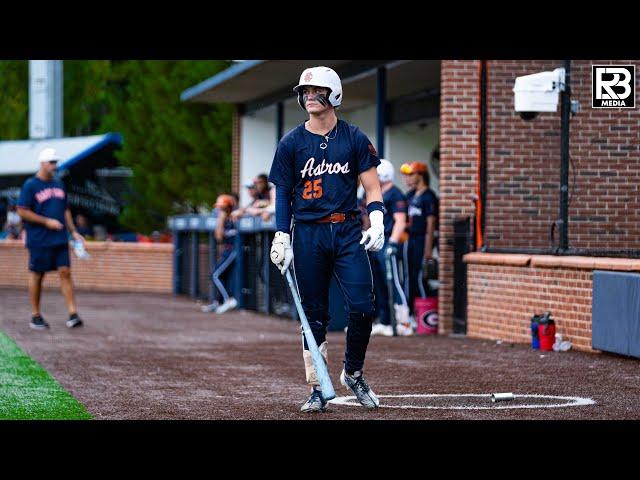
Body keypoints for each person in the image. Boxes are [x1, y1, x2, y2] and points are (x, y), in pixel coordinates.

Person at [268, 66, 385, 413]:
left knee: (363, 305)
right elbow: (283, 194)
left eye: (316, 91)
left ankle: (354, 371)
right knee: (313, 313)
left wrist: (377, 220)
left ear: (333, 94)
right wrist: (280, 235)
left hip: (348, 229)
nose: (309, 97)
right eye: (305, 92)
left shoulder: (354, 137)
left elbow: (373, 186)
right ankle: (318, 386)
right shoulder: (291, 142)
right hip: (307, 232)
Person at [16, 147, 85, 330]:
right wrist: (46, 222)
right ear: (42, 163)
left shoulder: (59, 185)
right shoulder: (30, 185)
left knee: (66, 272)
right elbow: (22, 210)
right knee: (37, 275)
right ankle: (35, 315)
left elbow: (65, 210)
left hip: (60, 238)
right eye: (52, 162)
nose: (55, 166)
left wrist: (74, 232)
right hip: (39, 239)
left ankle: (73, 313)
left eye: (56, 162)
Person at [368, 159, 412, 337]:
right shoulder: (376, 193)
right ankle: (386, 321)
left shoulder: (395, 194)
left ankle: (404, 322)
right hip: (378, 240)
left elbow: (400, 221)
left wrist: (393, 243)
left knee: (393, 281)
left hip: (388, 240)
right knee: (379, 283)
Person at [399, 161, 439, 318]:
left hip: (422, 239)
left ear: (420, 175)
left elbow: (431, 225)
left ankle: (424, 315)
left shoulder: (429, 197)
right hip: (410, 240)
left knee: (421, 277)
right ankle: (409, 312)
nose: (406, 179)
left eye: (410, 175)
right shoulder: (409, 196)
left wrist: (428, 249)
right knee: (409, 276)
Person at [201, 194, 239, 314]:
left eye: (222, 208)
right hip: (227, 250)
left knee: (215, 275)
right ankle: (219, 302)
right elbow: (218, 237)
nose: (219, 210)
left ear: (228, 207)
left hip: (234, 250)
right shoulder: (223, 219)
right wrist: (221, 219)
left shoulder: (235, 216)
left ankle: (229, 300)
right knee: (220, 276)